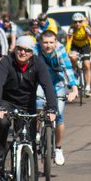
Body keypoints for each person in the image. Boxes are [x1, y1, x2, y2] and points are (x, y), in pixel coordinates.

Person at [0, 36, 57, 172]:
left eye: (27, 50)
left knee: (29, 139)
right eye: (20, 49)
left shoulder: (38, 63)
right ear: (15, 49)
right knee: (2, 122)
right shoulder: (6, 62)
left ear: (32, 53)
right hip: (7, 102)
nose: (23, 52)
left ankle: (31, 173)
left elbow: (47, 85)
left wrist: (52, 108)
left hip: (27, 104)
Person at [33, 30, 79, 166]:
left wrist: (74, 89)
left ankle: (58, 148)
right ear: (40, 42)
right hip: (41, 83)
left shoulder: (60, 50)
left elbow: (68, 69)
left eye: (51, 42)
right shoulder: (35, 51)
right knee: (38, 103)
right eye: (45, 42)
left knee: (58, 115)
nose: (48, 45)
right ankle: (37, 131)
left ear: (56, 42)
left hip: (57, 83)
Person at [65, 12, 91, 97]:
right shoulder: (71, 29)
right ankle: (75, 71)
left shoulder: (86, 28)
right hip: (75, 46)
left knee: (87, 64)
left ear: (82, 21)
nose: (77, 24)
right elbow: (69, 41)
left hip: (85, 46)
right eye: (75, 22)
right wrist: (67, 51)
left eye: (80, 21)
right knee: (73, 58)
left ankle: (88, 87)